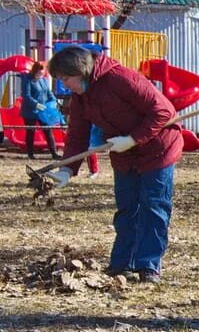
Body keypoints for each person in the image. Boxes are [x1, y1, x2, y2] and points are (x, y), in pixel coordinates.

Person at [47, 45, 184, 283]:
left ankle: (148, 266)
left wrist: (133, 139)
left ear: (80, 70)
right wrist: (67, 170)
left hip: (157, 148)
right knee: (127, 209)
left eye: (66, 78)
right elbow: (78, 134)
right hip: (124, 155)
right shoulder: (81, 97)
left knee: (153, 207)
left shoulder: (120, 78)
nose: (64, 84)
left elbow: (163, 111)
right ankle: (122, 264)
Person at [20, 62, 60, 159]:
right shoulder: (27, 80)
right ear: (35, 71)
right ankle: (30, 154)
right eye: (39, 73)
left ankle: (54, 153)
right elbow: (26, 95)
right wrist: (36, 104)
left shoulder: (44, 80)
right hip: (30, 111)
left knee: (48, 130)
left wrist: (54, 101)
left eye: (42, 73)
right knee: (31, 132)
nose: (40, 75)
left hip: (44, 111)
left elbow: (48, 93)